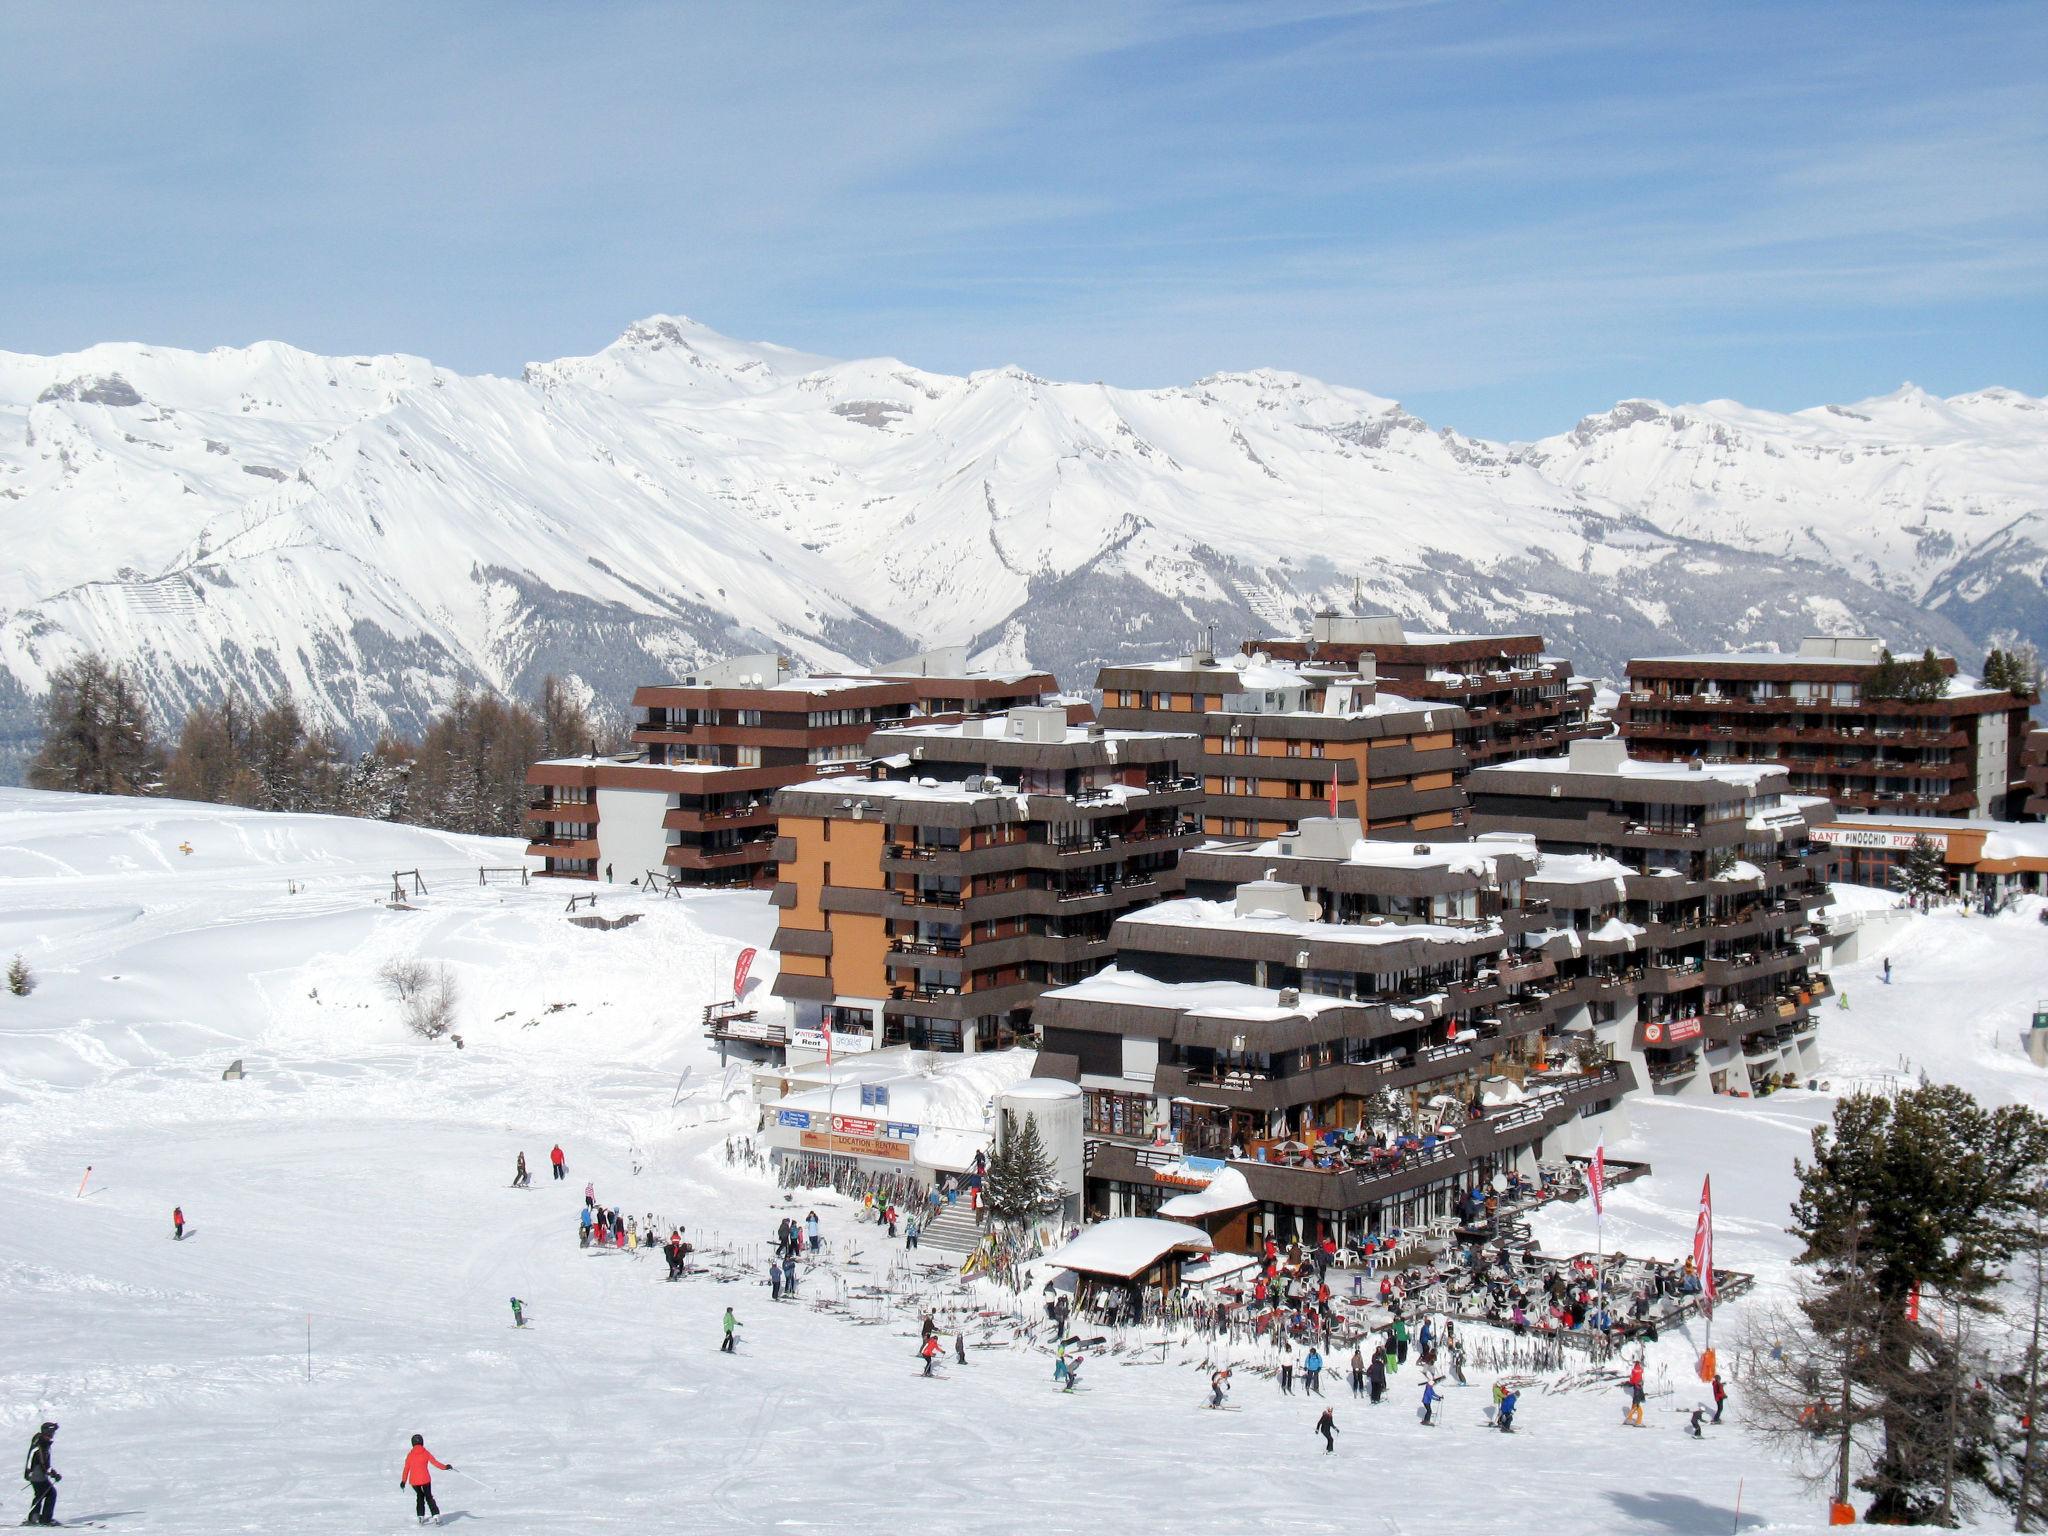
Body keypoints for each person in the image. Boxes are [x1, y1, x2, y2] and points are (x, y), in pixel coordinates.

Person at [400, 1433, 451, 1525]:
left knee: (420, 1497)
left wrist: (403, 1481)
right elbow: (435, 1463)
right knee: (428, 1497)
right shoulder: (425, 1452)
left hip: (414, 1481)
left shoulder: (410, 1455)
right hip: (425, 1479)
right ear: (422, 1442)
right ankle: (436, 1516)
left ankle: (420, 1516)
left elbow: (406, 1468)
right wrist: (445, 1467)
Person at [22, 1421, 59, 1527]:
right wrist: (53, 1473)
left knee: (41, 1494)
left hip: (36, 1474)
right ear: (47, 1432)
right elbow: (43, 1463)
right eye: (52, 1432)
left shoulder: (41, 1442)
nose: (53, 1435)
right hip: (37, 1474)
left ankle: (34, 1517)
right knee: (50, 1493)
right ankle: (45, 1519)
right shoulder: (41, 1443)